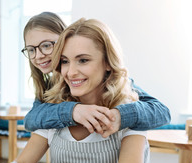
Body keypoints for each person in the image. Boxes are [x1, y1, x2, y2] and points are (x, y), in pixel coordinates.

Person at [0, 17, 151, 163]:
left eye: (83, 60)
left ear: (107, 63)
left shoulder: (129, 110)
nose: (70, 72)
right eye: (64, 61)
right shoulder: (54, 108)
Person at [21, 12, 170, 136]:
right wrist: (72, 111)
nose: (38, 55)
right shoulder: (50, 85)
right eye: (31, 50)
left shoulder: (112, 81)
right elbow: (30, 120)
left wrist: (120, 116)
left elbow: (161, 112)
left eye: (46, 45)